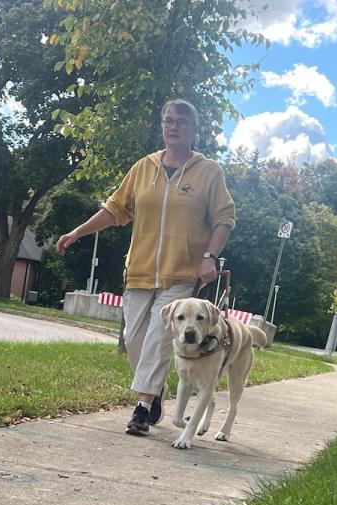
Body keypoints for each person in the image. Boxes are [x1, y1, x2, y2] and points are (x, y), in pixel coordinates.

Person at [56, 99, 235, 436]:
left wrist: (209, 257)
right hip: (138, 269)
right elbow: (115, 209)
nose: (173, 126)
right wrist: (78, 232)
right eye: (167, 120)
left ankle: (141, 406)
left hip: (182, 272)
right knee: (133, 337)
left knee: (157, 336)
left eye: (180, 121)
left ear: (194, 129)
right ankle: (155, 393)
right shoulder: (143, 167)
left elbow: (224, 218)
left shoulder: (209, 172)